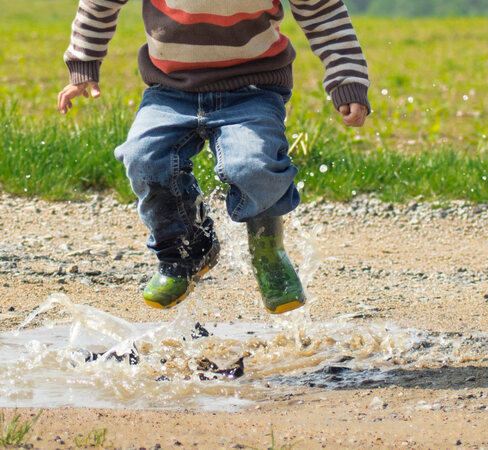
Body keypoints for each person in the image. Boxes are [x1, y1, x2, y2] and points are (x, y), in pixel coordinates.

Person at [58, 0, 370, 314]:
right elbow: (99, 4)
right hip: (170, 89)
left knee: (252, 165)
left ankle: (268, 251)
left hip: (254, 87)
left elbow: (323, 11)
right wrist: (83, 63)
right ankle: (186, 250)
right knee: (143, 158)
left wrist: (347, 81)